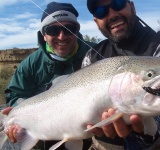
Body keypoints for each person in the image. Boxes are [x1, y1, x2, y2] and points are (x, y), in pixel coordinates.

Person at [81, 0, 160, 149]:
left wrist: (142, 127)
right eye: (101, 12)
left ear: (132, 7)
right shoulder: (91, 56)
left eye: (118, 4)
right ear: (96, 22)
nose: (112, 14)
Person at [2, 2, 95, 150]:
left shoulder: (96, 53)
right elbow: (14, 94)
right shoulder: (29, 65)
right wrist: (21, 112)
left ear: (77, 31)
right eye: (53, 30)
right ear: (44, 35)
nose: (61, 36)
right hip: (41, 131)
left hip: (90, 130)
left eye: (68, 29)